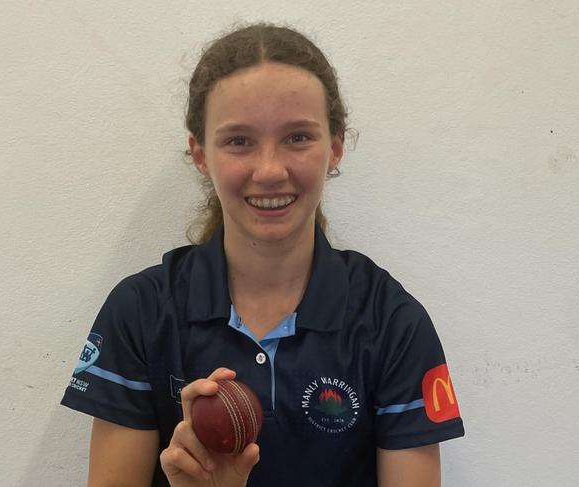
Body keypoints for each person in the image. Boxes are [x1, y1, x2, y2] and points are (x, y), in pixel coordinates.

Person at [61, 22, 465, 487]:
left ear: (334, 147)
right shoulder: (140, 311)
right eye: (238, 141)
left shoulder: (392, 321)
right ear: (200, 154)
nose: (270, 170)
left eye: (297, 137)